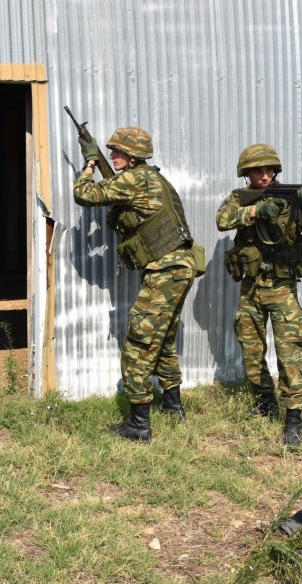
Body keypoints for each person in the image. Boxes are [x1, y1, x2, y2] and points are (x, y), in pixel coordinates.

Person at [74, 127, 205, 442]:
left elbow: (85, 194)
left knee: (138, 344)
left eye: (116, 151)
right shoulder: (153, 179)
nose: (112, 156)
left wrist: (90, 164)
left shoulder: (137, 179)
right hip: (177, 267)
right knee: (163, 340)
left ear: (133, 155)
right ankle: (173, 407)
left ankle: (138, 425)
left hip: (166, 269)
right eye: (109, 151)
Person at [216, 144, 302, 447]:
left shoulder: (293, 198)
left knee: (289, 353)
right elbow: (222, 219)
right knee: (251, 351)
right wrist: (255, 210)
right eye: (257, 171)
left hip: (282, 288)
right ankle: (264, 403)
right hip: (250, 288)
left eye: (268, 170)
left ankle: (293, 417)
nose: (264, 176)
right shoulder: (239, 198)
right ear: (246, 173)